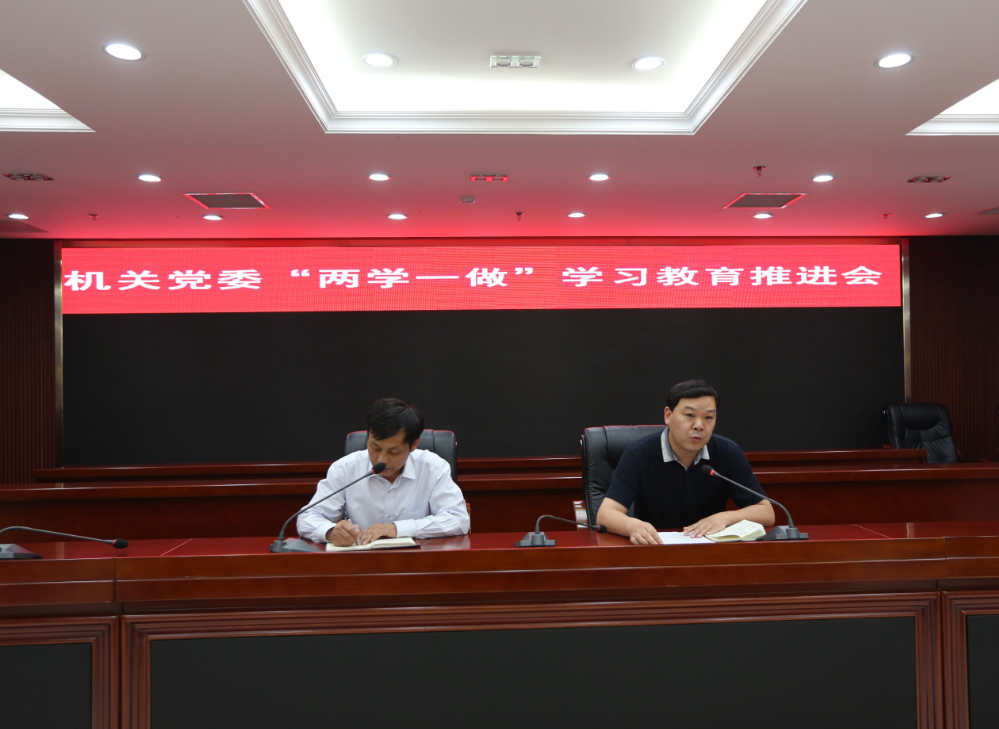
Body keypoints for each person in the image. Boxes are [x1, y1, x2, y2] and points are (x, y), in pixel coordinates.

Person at [596, 379, 774, 544]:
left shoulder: (727, 452)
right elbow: (606, 514)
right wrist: (633, 526)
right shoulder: (639, 454)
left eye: (708, 417)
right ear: (668, 415)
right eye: (689, 415)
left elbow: (766, 511)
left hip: (710, 553)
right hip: (655, 550)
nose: (699, 425)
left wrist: (724, 518)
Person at [297, 398, 470, 546]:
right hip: (361, 563)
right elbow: (307, 518)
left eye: (394, 452)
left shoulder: (433, 468)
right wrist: (330, 532)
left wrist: (397, 529)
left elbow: (458, 519)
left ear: (414, 444)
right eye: (375, 448)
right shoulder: (345, 469)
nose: (382, 459)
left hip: (417, 563)